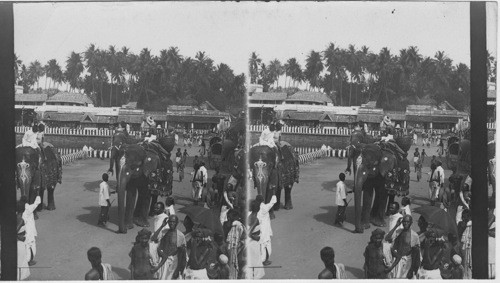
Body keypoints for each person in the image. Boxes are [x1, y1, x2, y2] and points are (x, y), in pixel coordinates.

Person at [151, 215, 187, 280]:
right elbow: (153, 238)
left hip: (173, 261)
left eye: (173, 222)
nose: (171, 223)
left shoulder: (180, 236)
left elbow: (182, 253)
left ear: (177, 223)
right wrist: (162, 226)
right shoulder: (164, 231)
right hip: (162, 260)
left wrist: (178, 269)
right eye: (170, 221)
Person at [385, 215, 420, 279]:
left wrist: (412, 269)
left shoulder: (414, 236)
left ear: (411, 223)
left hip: (407, 261)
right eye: (404, 221)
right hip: (396, 260)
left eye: (407, 222)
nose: (405, 223)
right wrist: (396, 225)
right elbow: (387, 238)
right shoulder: (399, 231)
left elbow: (416, 253)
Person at [245, 200, 264, 279]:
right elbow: (249, 233)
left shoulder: (249, 216)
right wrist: (256, 238)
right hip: (254, 243)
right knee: (256, 262)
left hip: (250, 243)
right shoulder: (255, 219)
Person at [256, 194, 277, 266]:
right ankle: (264, 260)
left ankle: (261, 259)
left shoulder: (256, 207)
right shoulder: (264, 207)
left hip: (259, 228)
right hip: (265, 230)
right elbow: (272, 203)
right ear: (262, 200)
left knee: (260, 245)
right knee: (266, 245)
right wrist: (273, 194)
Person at [226, 209, 245, 279]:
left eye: (228, 217)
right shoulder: (240, 225)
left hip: (235, 248)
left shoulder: (236, 226)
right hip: (238, 248)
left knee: (235, 265)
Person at [17, 201, 30, 280]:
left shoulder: (15, 217)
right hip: (19, 244)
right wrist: (20, 237)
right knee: (20, 264)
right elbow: (13, 232)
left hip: (18, 243)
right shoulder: (20, 219)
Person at [460, 210, 472, 279]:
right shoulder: (463, 225)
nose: (463, 218)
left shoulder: (469, 225)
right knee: (465, 264)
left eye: (465, 217)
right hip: (466, 248)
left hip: (469, 248)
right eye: (463, 217)